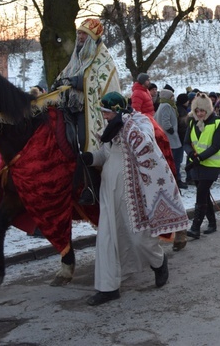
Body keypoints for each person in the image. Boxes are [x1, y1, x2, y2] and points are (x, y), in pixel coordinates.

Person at [81, 92, 188, 306]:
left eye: (108, 113)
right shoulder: (109, 131)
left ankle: (159, 262)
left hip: (132, 195)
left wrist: (126, 123)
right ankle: (108, 288)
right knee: (107, 239)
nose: (105, 117)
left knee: (140, 239)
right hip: (109, 193)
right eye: (103, 113)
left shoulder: (138, 123)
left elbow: (147, 142)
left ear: (118, 110)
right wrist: (90, 158)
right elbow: (105, 155)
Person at [50, 18, 121, 154]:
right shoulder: (78, 54)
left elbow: (105, 86)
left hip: (88, 110)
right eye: (79, 33)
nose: (80, 37)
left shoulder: (104, 59)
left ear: (93, 37)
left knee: (85, 142)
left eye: (84, 34)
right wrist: (59, 82)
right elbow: (68, 71)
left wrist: (78, 82)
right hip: (70, 107)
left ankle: (89, 169)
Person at [183, 93, 220, 238]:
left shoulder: (218, 123)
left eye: (202, 111)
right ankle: (212, 223)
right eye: (197, 111)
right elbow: (186, 142)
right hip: (196, 164)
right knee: (205, 194)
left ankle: (195, 227)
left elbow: (215, 146)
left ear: (208, 110)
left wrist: (199, 158)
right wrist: (191, 154)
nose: (200, 114)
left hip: (211, 165)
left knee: (201, 194)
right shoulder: (192, 123)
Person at [154, 88, 185, 188]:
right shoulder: (166, 106)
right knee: (176, 160)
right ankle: (176, 180)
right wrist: (170, 129)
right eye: (172, 96)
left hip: (168, 138)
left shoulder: (161, 105)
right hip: (172, 139)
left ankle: (175, 179)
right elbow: (165, 121)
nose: (173, 98)